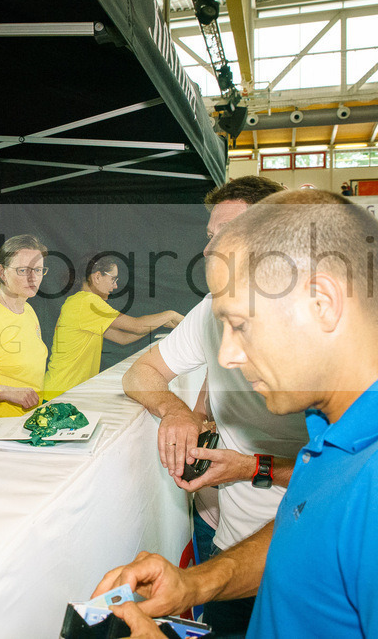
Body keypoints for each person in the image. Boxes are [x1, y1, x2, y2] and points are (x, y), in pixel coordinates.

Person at [95, 190, 378, 638]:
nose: (226, 355)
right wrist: (194, 583)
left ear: (322, 302)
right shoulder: (350, 422)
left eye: (241, 324)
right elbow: (309, 526)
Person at [121, 176, 308, 636]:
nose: (208, 249)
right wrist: (178, 410)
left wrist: (253, 467)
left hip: (307, 557)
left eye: (224, 234)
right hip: (234, 550)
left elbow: (340, 475)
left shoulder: (321, 337)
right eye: (209, 236)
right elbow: (140, 373)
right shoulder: (210, 308)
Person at [43, 254, 183, 401]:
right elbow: (136, 326)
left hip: (64, 392)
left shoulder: (78, 302)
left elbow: (123, 338)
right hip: (60, 395)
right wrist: (170, 315)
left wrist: (158, 324)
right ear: (97, 277)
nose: (115, 286)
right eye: (113, 279)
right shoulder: (87, 303)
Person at [0, 235, 48, 417]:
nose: (32, 277)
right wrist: (5, 391)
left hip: (27, 425)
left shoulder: (28, 310)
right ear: (2, 272)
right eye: (22, 270)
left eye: (38, 270)